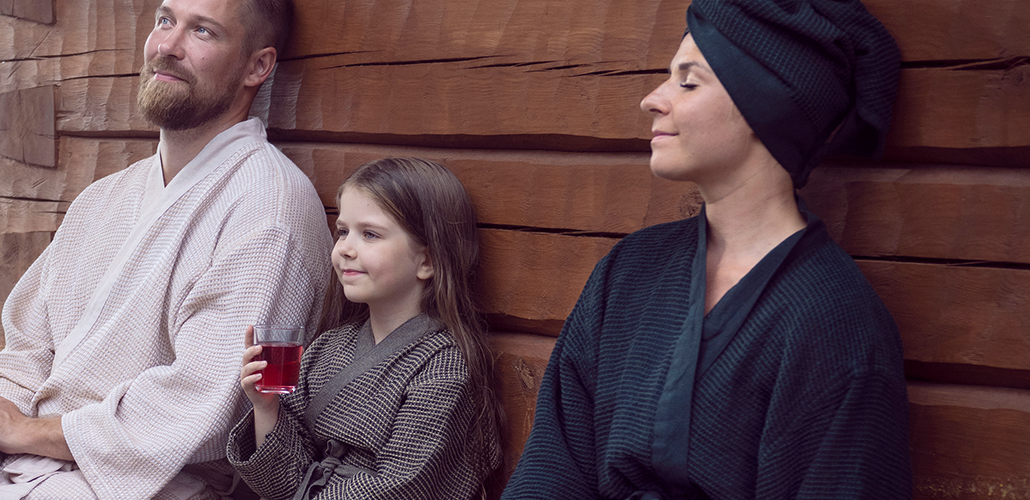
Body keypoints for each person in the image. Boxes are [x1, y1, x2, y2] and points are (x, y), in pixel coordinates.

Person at [0, 0, 334, 498]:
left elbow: (201, 405)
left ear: (256, 67)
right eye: (165, 20)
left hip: (147, 482)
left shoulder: (268, 208)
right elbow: (27, 345)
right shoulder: (106, 198)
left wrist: (24, 430)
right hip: (27, 452)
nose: (167, 46)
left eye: (202, 31)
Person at [502, 0, 912, 498]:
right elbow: (552, 466)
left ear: (767, 106)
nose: (652, 100)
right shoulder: (629, 271)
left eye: (687, 82)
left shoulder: (838, 323)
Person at [226, 158, 504, 499]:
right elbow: (283, 485)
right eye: (343, 231)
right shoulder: (328, 347)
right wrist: (266, 409)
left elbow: (402, 487)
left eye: (369, 234)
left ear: (427, 261)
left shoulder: (444, 368)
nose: (345, 248)